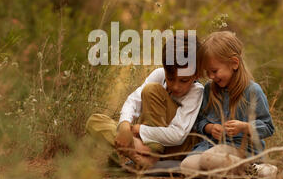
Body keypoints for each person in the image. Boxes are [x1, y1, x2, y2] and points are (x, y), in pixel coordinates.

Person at [86, 33, 204, 169]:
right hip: (147, 141)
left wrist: (139, 130)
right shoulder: (159, 74)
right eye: (171, 78)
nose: (176, 86)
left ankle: (147, 153)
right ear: (165, 69)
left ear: (196, 74)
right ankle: (138, 151)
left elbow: (178, 135)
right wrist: (124, 126)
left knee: (151, 90)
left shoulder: (197, 91)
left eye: (183, 80)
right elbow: (133, 101)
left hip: (177, 148)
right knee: (95, 121)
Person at [180, 31, 276, 177]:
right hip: (211, 146)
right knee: (187, 167)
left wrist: (245, 127)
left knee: (208, 159)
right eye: (207, 72)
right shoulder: (209, 89)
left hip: (241, 148)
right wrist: (210, 127)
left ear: (234, 63)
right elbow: (200, 120)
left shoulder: (252, 91)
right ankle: (227, 170)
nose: (211, 77)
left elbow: (268, 127)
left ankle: (253, 168)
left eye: (214, 71)